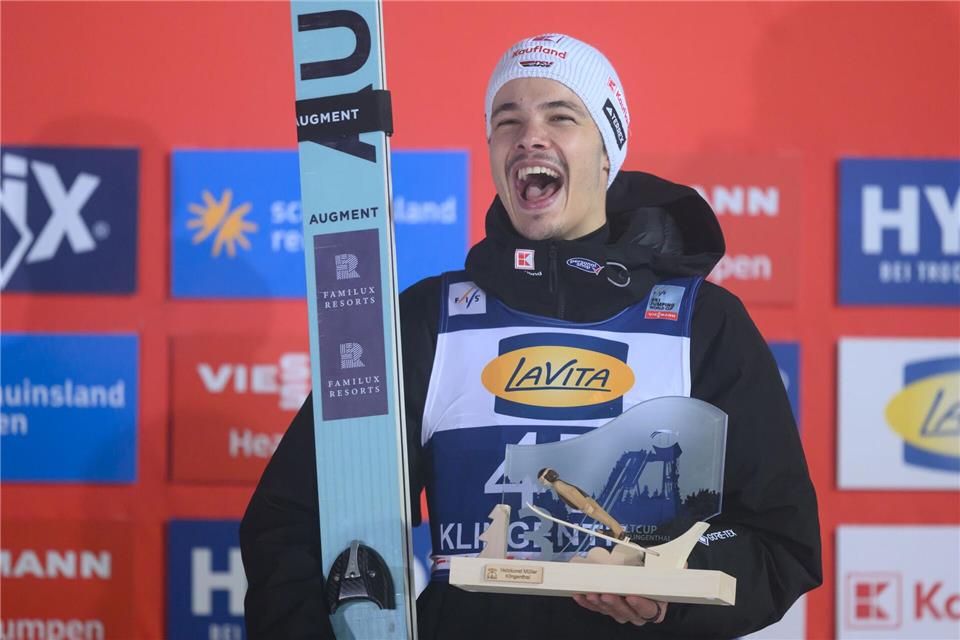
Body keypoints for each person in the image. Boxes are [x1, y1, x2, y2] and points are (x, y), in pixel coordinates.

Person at [240, 33, 822, 639]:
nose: (529, 136)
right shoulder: (426, 321)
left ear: (607, 152)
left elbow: (778, 542)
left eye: (560, 116)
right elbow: (296, 519)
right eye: (507, 119)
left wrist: (669, 588)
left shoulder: (701, 322)